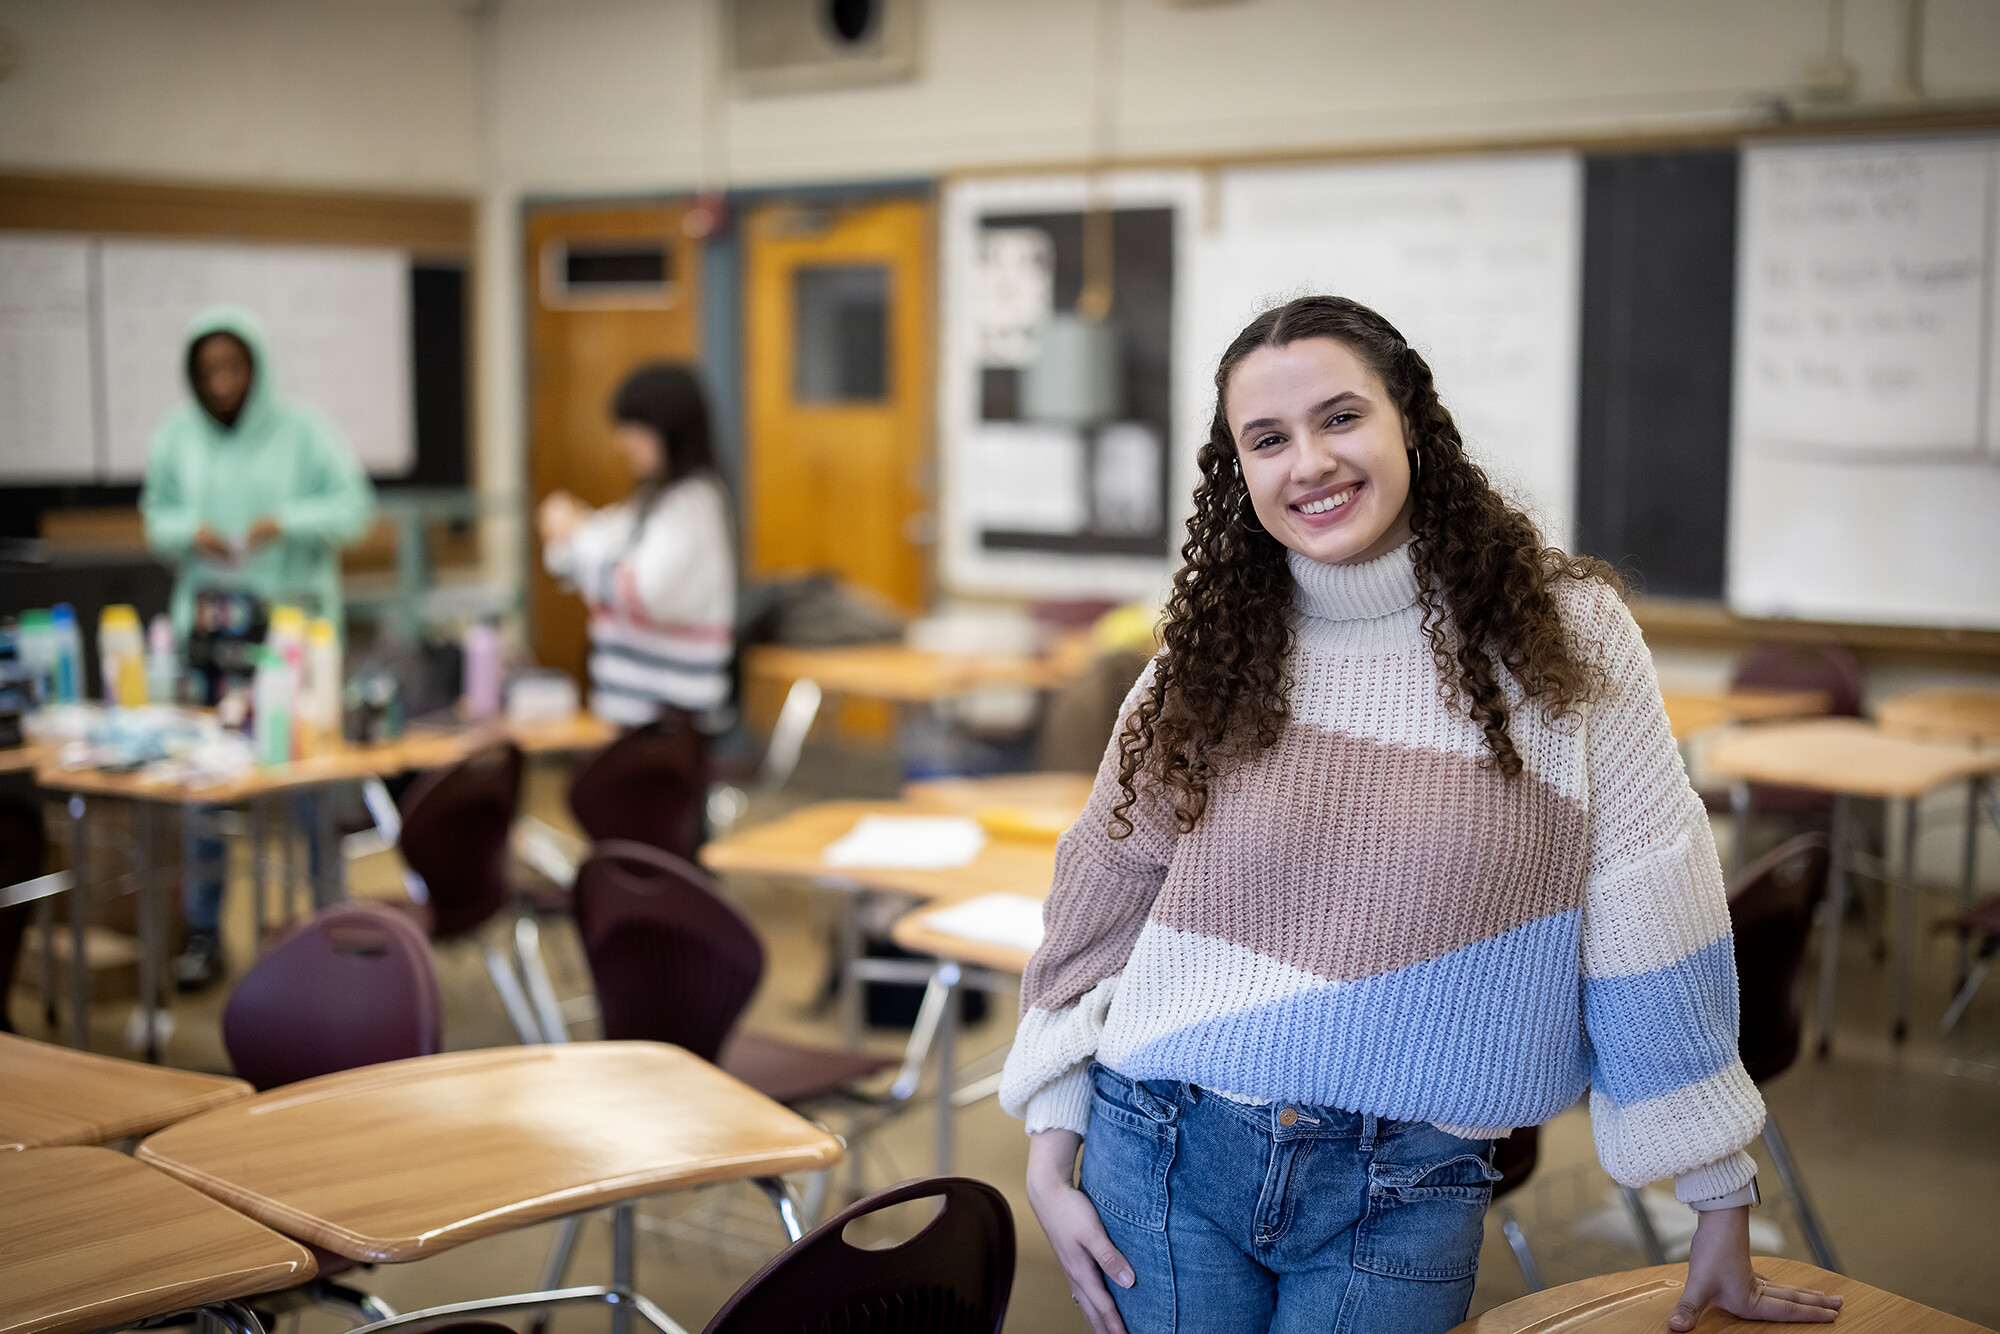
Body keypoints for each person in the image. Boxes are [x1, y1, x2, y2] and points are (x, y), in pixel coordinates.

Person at [999, 296, 1844, 1334]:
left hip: (1410, 1181)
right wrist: (1049, 1147)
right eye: (1265, 439)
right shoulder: (1211, 650)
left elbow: (1649, 910)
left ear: (1408, 416)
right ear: (1236, 470)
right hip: (1164, 1144)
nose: (1306, 461)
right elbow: (1100, 895)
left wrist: (1716, 1196)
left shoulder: (1564, 632)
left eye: (1338, 417)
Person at [142, 305, 376, 988]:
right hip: (214, 632)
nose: (221, 382)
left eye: (233, 366)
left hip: (292, 629)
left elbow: (354, 509)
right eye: (208, 370)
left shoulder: (304, 430)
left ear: (255, 366)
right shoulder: (176, 436)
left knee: (311, 786)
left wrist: (288, 521)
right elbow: (155, 518)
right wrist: (190, 530)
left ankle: (326, 919)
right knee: (207, 784)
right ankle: (205, 932)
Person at [538, 363, 734, 731]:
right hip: (630, 714)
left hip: (668, 724)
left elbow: (639, 590)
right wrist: (574, 535)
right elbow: (575, 557)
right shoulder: (655, 500)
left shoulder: (693, 507)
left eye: (635, 428)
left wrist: (575, 536)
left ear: (670, 429)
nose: (623, 441)